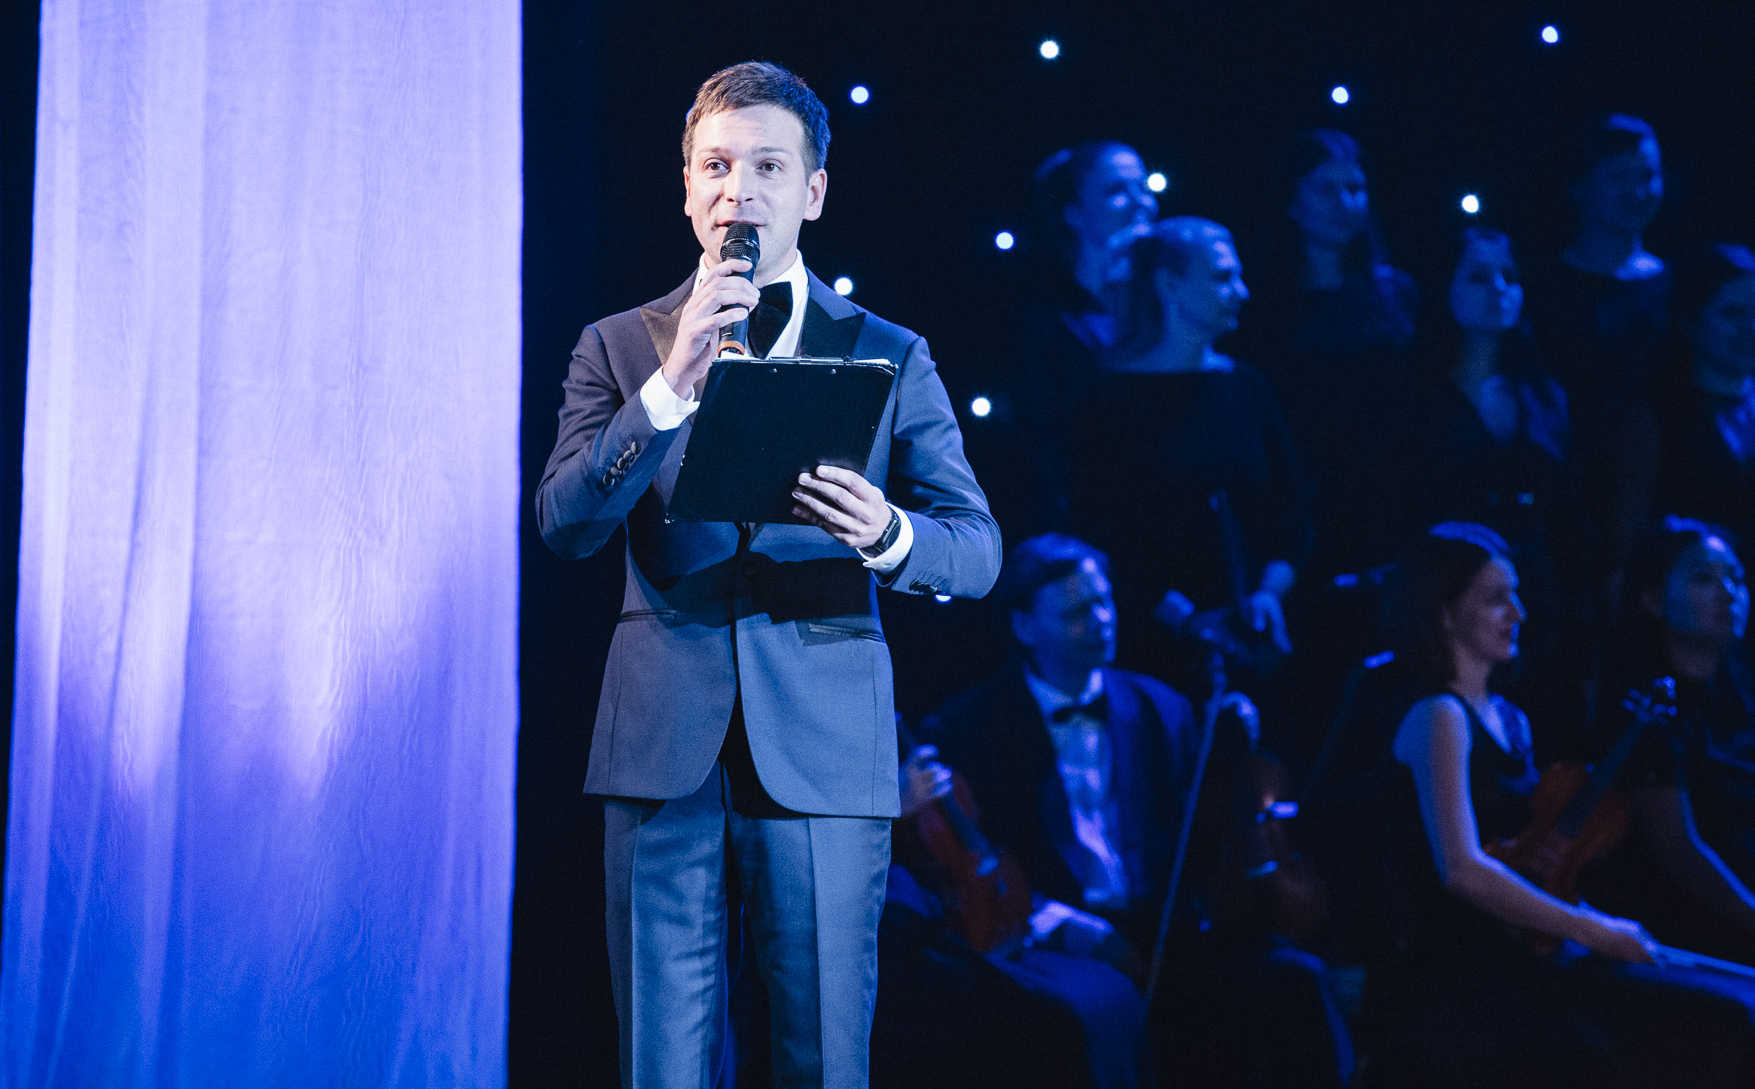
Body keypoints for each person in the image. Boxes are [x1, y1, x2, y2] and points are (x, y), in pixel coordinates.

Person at [537, 61, 1002, 1089]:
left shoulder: (887, 351)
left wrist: (888, 533)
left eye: (767, 166)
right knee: (661, 1062)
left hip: (825, 748)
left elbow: (976, 548)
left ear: (814, 191)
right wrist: (670, 387)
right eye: (715, 166)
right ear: (687, 189)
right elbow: (564, 524)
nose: (737, 191)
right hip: (663, 752)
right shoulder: (619, 347)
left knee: (822, 1056)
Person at [882, 535, 1350, 1089]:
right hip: (1053, 934)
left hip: (1162, 928)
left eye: (1104, 602)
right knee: (1093, 1011)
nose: (1102, 620)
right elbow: (977, 868)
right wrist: (1071, 928)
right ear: (1025, 626)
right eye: (1077, 612)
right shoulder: (970, 727)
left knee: (1295, 982)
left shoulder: (1163, 707)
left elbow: (1197, 842)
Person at [1375, 524, 1755, 1089]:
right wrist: (1594, 929)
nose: (1518, 613)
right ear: (1444, 614)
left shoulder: (1512, 720)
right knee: (1720, 1021)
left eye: (1516, 595)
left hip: (1532, 950)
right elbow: (1463, 869)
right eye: (1497, 599)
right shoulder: (1439, 716)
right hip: (1473, 974)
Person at [1065, 219, 1311, 694]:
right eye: (1222, 277)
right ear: (1170, 284)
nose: (1241, 292)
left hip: (1256, 639)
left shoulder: (1245, 386)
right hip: (1153, 648)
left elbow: (1293, 508)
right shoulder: (1108, 403)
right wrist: (1186, 617)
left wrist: (1268, 594)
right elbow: (1101, 531)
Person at [1405, 228, 1588, 756]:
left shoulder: (1544, 391)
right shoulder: (1413, 391)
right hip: (1450, 587)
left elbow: (1568, 504)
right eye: (1478, 277)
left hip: (1536, 583)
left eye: (1510, 276)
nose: (1499, 290)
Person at [1238, 130, 1419, 580]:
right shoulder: (1259, 304)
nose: (1345, 203)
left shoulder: (1396, 292)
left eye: (1355, 189)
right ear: (1291, 202)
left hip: (1392, 492)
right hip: (1303, 499)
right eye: (1326, 189)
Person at [1589, 520, 1755, 960]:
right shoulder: (1645, 711)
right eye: (1704, 578)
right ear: (1653, 599)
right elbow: (1680, 852)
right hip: (1694, 940)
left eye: (1736, 578)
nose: (1729, 593)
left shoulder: (1741, 701)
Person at [1016, 142, 1158, 534]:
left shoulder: (1169, 305)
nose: (1141, 203)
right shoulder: (1047, 322)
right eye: (1117, 191)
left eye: (1144, 187)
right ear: (1074, 213)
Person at [1529, 115, 1672, 498]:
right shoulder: (1540, 286)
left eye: (1647, 175)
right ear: (1580, 184)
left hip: (1661, 483)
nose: (1636, 191)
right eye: (1618, 176)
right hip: (1564, 478)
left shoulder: (1679, 287)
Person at [1614, 245, 1755, 557]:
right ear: (1690, 320)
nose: (1751, 328)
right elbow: (1630, 524)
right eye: (1733, 313)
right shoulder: (1658, 413)